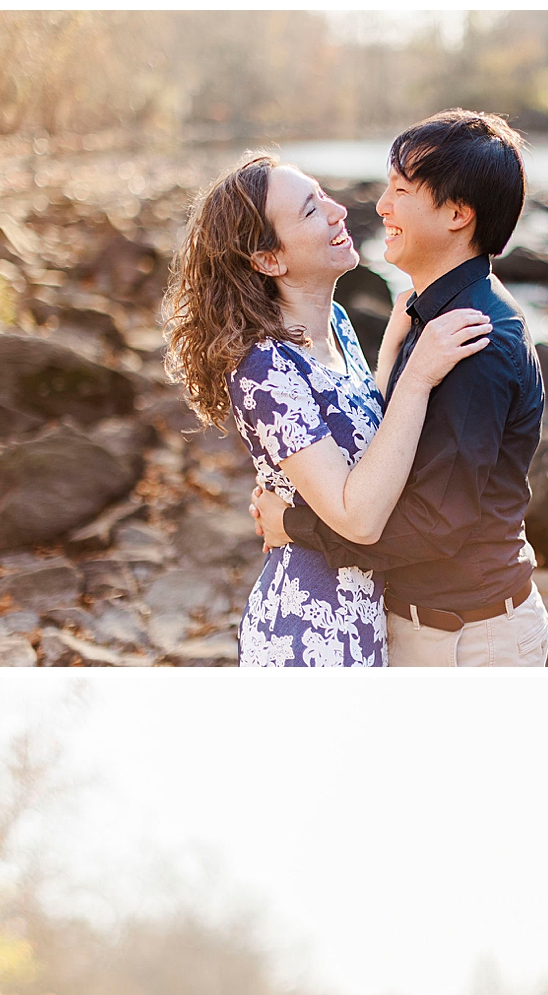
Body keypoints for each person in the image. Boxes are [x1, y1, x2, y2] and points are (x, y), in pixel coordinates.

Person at [166, 155, 492, 667]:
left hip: (366, 619)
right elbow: (358, 518)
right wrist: (419, 375)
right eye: (311, 211)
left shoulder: (335, 323)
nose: (339, 211)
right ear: (269, 260)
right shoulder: (264, 368)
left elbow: (368, 444)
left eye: (324, 196)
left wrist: (390, 355)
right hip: (309, 633)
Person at [252, 113, 548, 667]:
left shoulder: (473, 341)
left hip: (469, 641)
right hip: (438, 628)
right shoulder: (430, 319)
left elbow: (436, 526)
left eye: (400, 191)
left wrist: (293, 525)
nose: (382, 207)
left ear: (458, 215)